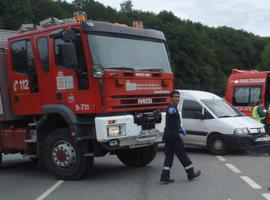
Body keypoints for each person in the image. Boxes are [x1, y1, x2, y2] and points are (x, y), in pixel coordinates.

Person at [160, 90, 201, 184]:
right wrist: (170, 111)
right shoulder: (171, 108)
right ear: (171, 98)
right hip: (173, 136)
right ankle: (191, 174)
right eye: (175, 97)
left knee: (169, 156)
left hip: (169, 135)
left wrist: (180, 128)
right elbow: (169, 113)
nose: (177, 98)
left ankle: (164, 177)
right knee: (182, 154)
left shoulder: (174, 107)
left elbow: (173, 122)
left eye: (178, 97)